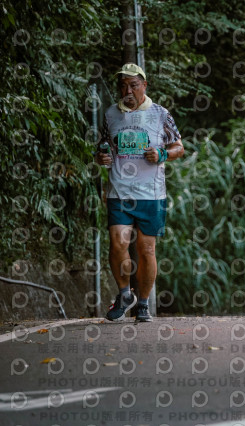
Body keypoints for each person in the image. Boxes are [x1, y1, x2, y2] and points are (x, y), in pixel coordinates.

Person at [95, 63, 184, 322]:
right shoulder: (111, 114)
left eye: (133, 85)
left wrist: (162, 154)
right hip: (119, 191)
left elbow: (179, 147)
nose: (128, 91)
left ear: (144, 85)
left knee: (146, 250)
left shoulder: (160, 114)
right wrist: (101, 157)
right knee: (117, 244)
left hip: (151, 194)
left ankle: (143, 304)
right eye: (123, 85)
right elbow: (104, 146)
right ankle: (125, 295)